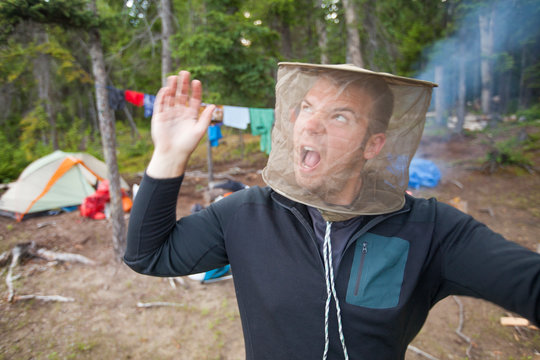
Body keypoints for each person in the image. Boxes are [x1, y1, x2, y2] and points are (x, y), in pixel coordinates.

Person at [124, 63, 540, 359]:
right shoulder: (245, 214)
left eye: (339, 116)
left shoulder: (432, 230)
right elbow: (149, 255)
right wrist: (169, 153)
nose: (311, 124)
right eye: (306, 107)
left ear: (373, 145)